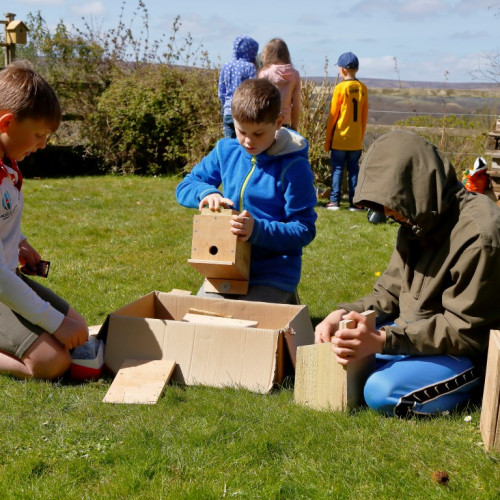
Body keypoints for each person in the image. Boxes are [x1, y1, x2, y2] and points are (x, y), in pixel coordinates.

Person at [315, 131, 500, 417]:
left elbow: (466, 330)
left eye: (392, 202)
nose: (389, 211)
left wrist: (383, 340)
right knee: (339, 348)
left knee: (380, 391)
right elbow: (389, 292)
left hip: (468, 351)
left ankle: (472, 388)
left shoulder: (480, 235)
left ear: (415, 184)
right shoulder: (418, 218)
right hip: (413, 334)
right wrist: (343, 314)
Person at [176, 78, 317, 304]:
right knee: (203, 320)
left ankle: (287, 299)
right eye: (241, 131)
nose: (248, 141)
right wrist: (206, 193)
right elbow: (185, 185)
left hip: (273, 274)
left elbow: (303, 230)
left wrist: (256, 230)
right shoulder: (226, 150)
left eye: (258, 133)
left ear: (279, 122)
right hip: (225, 268)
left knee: (244, 325)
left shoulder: (293, 168)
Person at [0, 60, 88, 379]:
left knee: (79, 329)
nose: (42, 145)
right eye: (38, 134)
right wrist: (53, 322)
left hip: (5, 276)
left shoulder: (6, 163)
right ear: (6, 123)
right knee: (52, 361)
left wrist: (18, 243)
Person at [324, 51, 368, 211]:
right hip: (355, 139)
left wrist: (328, 140)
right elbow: (364, 117)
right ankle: (355, 202)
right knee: (354, 170)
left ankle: (334, 201)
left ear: (342, 70)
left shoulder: (340, 88)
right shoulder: (363, 88)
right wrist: (360, 137)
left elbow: (333, 116)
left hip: (340, 138)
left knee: (337, 169)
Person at [218, 35, 259, 139]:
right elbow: (254, 91)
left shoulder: (226, 66)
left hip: (228, 111)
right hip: (243, 112)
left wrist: (224, 109)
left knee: (228, 146)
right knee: (243, 146)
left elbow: (221, 93)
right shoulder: (250, 67)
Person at [258, 38, 301, 131]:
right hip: (285, 122)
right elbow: (296, 104)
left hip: (267, 121)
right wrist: (294, 126)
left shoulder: (265, 74)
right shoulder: (295, 74)